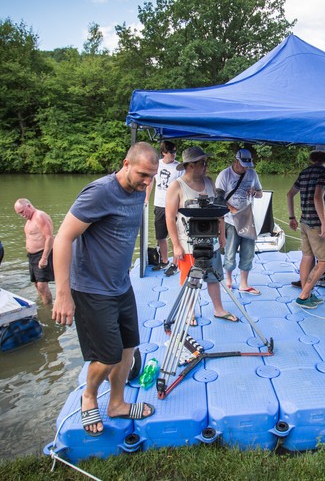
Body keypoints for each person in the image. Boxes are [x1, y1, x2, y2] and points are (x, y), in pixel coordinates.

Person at [51, 142, 159, 436]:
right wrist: (63, 294)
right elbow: (62, 239)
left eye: (152, 176)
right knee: (107, 355)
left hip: (121, 285)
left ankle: (117, 404)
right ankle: (89, 397)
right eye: (142, 174)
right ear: (126, 163)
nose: (147, 182)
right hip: (91, 288)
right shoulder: (99, 192)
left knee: (128, 348)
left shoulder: (140, 190)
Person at [165, 146, 238, 324]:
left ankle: (218, 309)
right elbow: (169, 216)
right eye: (202, 163)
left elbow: (218, 210)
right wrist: (175, 245)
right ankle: (189, 311)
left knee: (214, 276)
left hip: (211, 240)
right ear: (190, 165)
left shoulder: (210, 182)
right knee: (191, 278)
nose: (206, 166)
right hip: (188, 243)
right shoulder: (176, 186)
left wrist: (222, 234)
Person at [287, 145, 325, 309]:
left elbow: (290, 194)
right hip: (316, 224)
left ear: (313, 156)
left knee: (307, 256)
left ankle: (307, 291)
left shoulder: (305, 172)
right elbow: (318, 197)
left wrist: (291, 217)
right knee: (324, 260)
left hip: (304, 222)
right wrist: (324, 224)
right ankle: (304, 295)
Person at [216, 149, 263, 294]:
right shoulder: (225, 175)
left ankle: (244, 284)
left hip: (247, 219)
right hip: (231, 220)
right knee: (230, 251)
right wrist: (232, 210)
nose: (245, 168)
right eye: (243, 165)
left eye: (247, 165)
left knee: (248, 252)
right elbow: (219, 199)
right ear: (236, 161)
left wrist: (254, 192)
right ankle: (228, 281)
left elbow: (260, 193)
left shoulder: (252, 174)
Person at [145, 140, 184, 276]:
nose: (174, 154)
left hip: (174, 205)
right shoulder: (157, 164)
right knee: (161, 236)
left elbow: (183, 186)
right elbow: (150, 182)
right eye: (171, 152)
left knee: (176, 236)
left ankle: (175, 263)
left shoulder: (179, 167)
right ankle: (164, 261)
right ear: (163, 152)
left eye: (175, 151)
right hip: (160, 204)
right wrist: (146, 198)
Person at [14, 198, 54, 304]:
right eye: (19, 213)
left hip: (41, 254)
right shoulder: (29, 220)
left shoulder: (39, 216)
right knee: (37, 284)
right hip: (32, 256)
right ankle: (42, 304)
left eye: (22, 212)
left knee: (42, 286)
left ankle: (48, 310)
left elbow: (49, 237)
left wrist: (44, 258)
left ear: (28, 206)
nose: (22, 215)